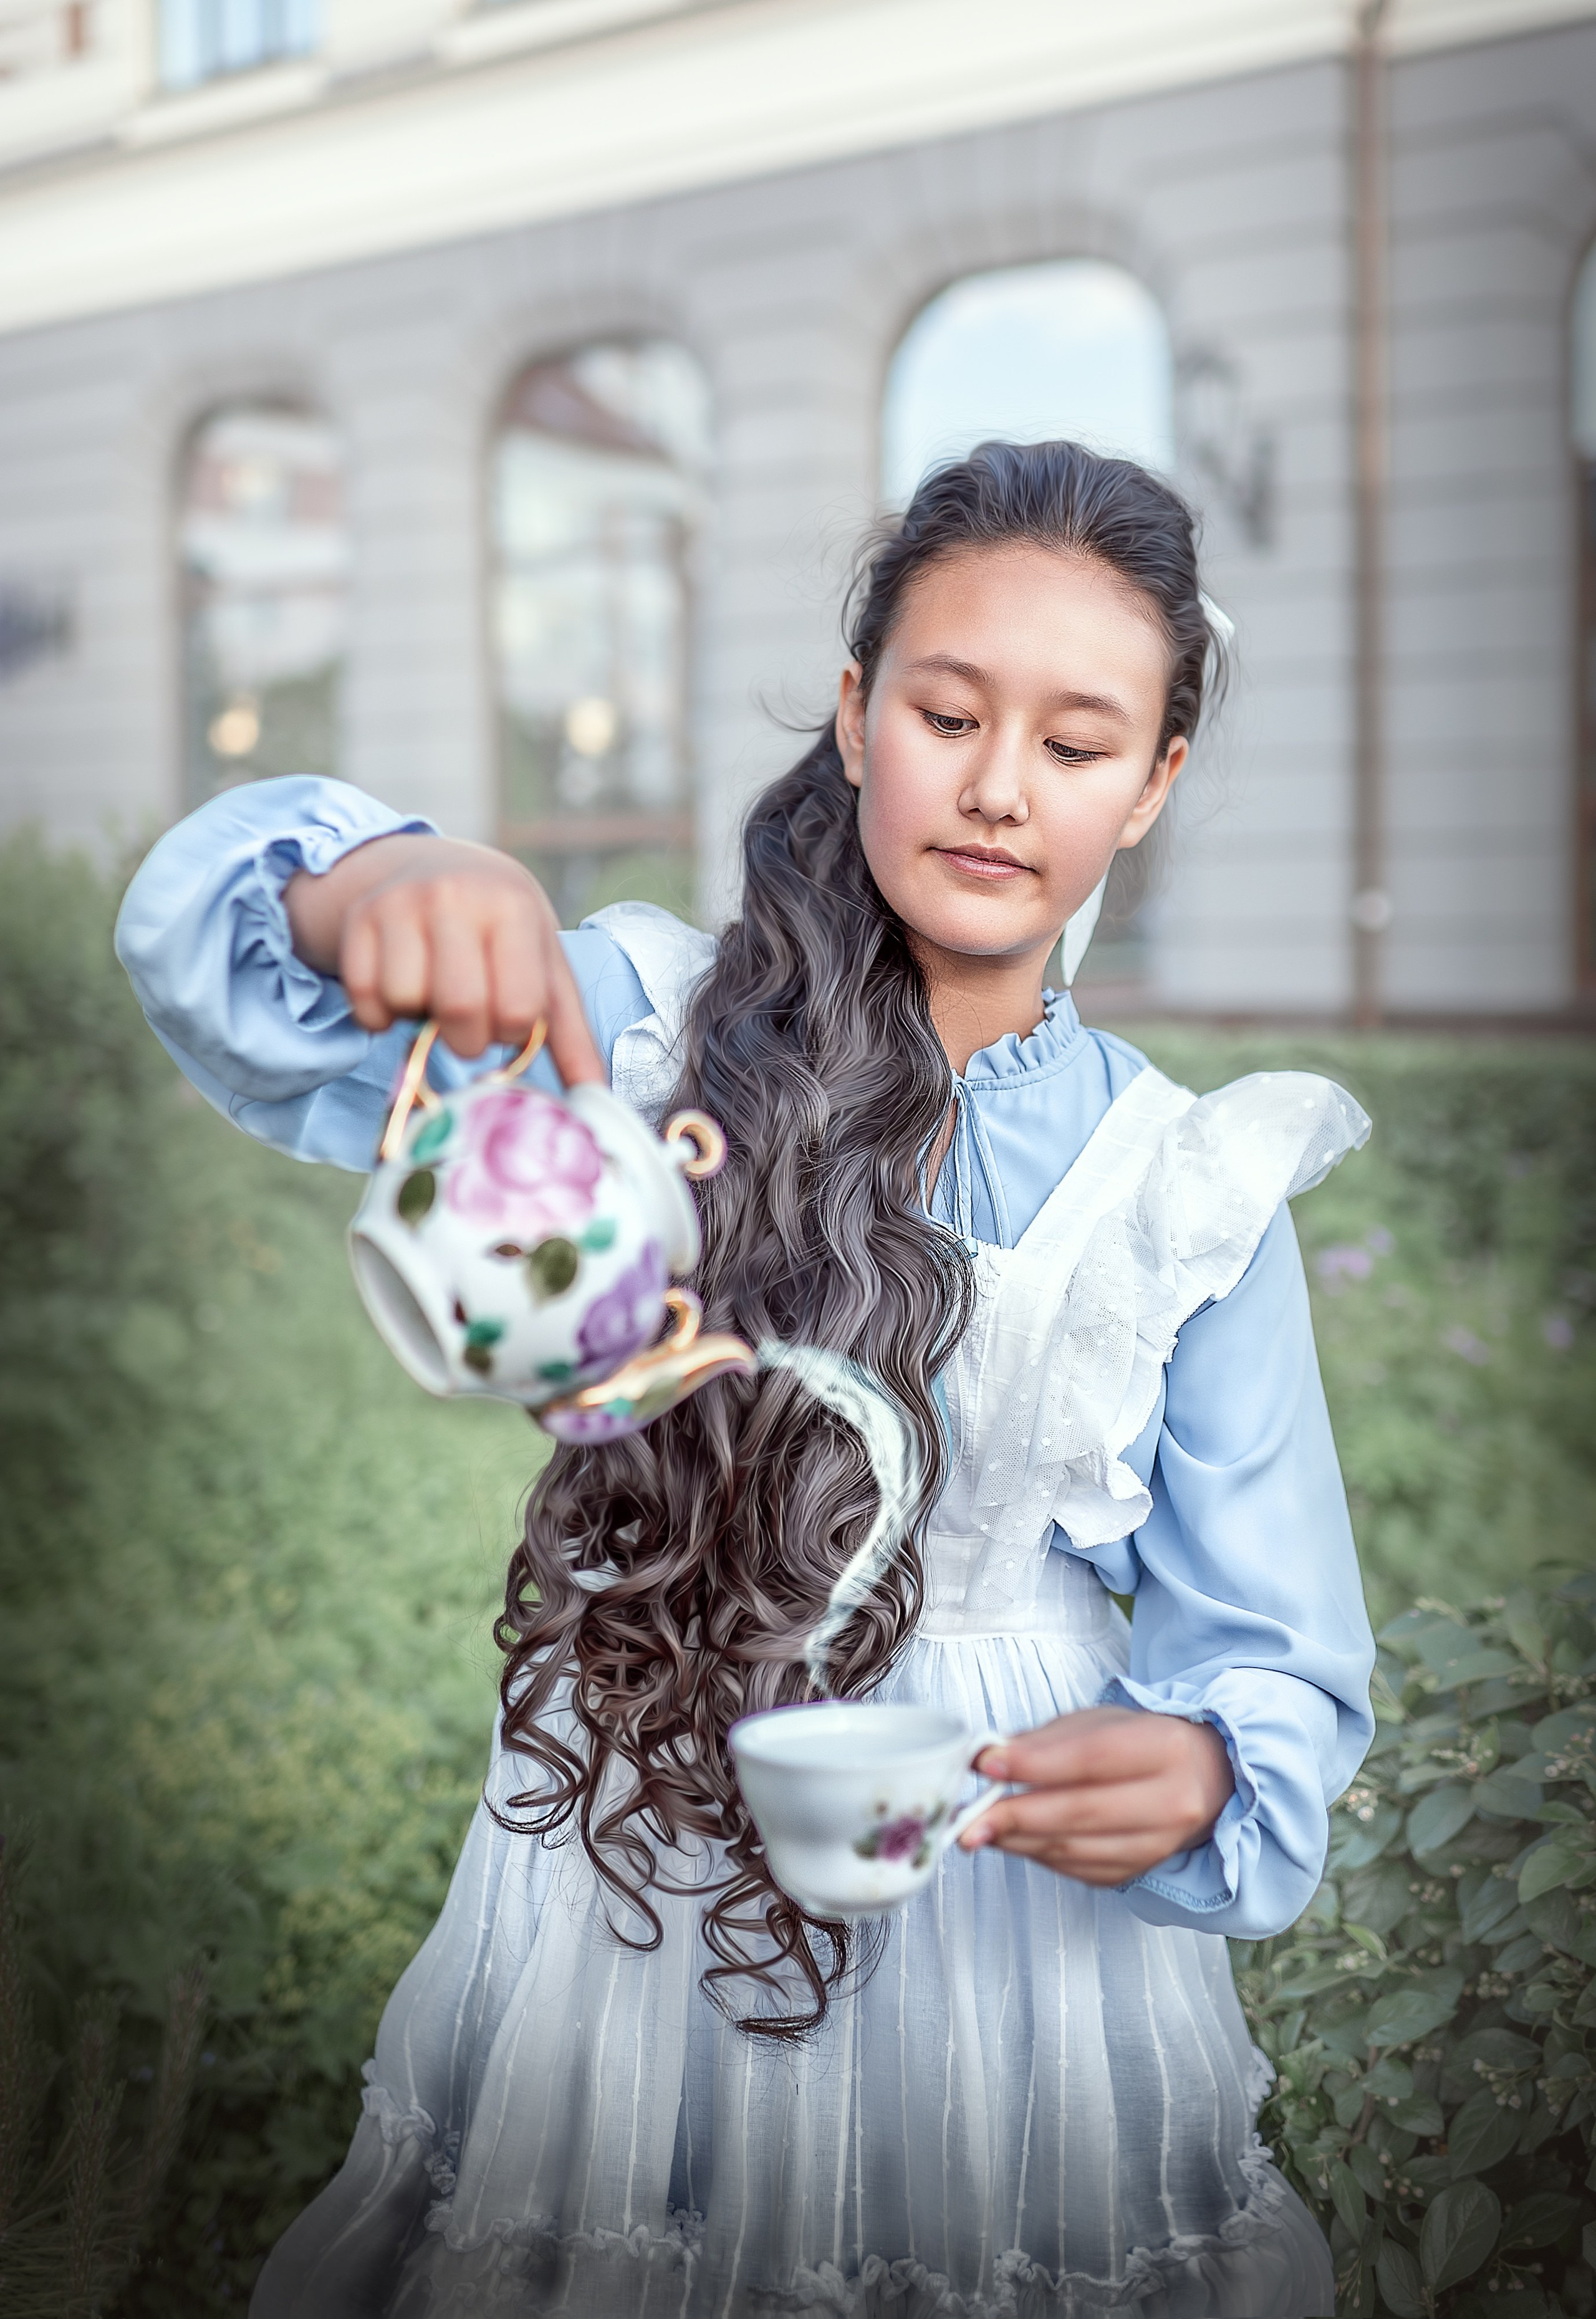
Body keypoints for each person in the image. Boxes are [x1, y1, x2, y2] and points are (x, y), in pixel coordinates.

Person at [117, 440, 1375, 2319]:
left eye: (1080, 744)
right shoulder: (645, 1026)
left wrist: (1204, 1766)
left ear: (1157, 787)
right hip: (640, 1843)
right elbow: (242, 973)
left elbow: (1277, 1654)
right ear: (861, 713)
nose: (1001, 787)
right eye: (949, 712)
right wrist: (375, 875)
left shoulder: (1187, 1181)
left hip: (1005, 1909)